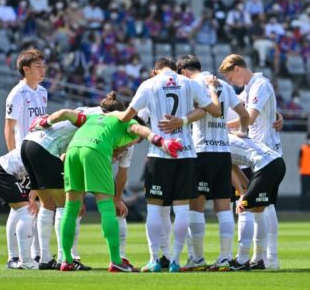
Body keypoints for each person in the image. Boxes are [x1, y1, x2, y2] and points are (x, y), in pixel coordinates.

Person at [29, 105, 184, 272]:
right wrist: (162, 142)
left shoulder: (93, 117)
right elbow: (141, 129)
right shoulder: (128, 124)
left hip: (71, 151)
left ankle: (66, 260)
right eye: (134, 142)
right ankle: (116, 261)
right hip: (95, 151)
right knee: (107, 207)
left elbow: (64, 113)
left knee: (70, 208)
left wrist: (44, 122)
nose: (131, 145)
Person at [107, 57, 221, 272]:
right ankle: (176, 260)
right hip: (185, 153)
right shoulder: (189, 83)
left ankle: (154, 260)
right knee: (181, 209)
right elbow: (210, 110)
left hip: (159, 153)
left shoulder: (149, 85)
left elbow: (127, 117)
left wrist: (112, 115)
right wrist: (183, 121)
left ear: (155, 70)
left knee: (154, 208)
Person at [20, 92, 125, 270]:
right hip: (47, 148)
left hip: (29, 144)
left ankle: (45, 257)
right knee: (67, 206)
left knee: (47, 204)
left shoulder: (89, 111)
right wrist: (43, 122)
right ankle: (65, 259)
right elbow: (63, 113)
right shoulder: (99, 117)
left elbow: (68, 157)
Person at [170, 55, 249, 272]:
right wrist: (243, 131)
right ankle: (224, 259)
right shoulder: (222, 83)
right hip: (223, 152)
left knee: (196, 206)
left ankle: (197, 258)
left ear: (183, 71)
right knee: (224, 207)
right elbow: (243, 113)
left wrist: (183, 122)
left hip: (202, 151)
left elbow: (201, 110)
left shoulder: (191, 84)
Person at [219, 54, 283, 270]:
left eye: (230, 76)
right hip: (254, 151)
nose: (231, 82)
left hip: (263, 152)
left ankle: (263, 257)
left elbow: (250, 118)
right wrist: (276, 114)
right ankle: (263, 257)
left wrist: (219, 127)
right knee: (260, 205)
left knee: (258, 206)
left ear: (237, 68)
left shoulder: (260, 84)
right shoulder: (249, 89)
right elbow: (261, 112)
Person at [3, 48, 48, 269]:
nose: (43, 70)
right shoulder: (17, 94)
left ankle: (36, 254)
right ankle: (13, 256)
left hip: (37, 154)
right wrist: (14, 158)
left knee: (36, 204)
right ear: (26, 69)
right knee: (20, 206)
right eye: (38, 66)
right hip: (22, 157)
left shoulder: (42, 92)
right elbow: (9, 128)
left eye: (43, 65)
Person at [229, 134, 286, 271]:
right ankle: (258, 259)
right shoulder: (228, 138)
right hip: (278, 163)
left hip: (266, 166)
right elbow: (234, 168)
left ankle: (242, 259)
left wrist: (244, 196)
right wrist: (247, 192)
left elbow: (230, 171)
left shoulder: (217, 145)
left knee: (245, 209)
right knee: (259, 209)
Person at [0, 149, 38, 269]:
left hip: (4, 170)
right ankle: (25, 261)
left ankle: (15, 258)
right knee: (27, 211)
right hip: (2, 172)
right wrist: (33, 196)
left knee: (18, 210)